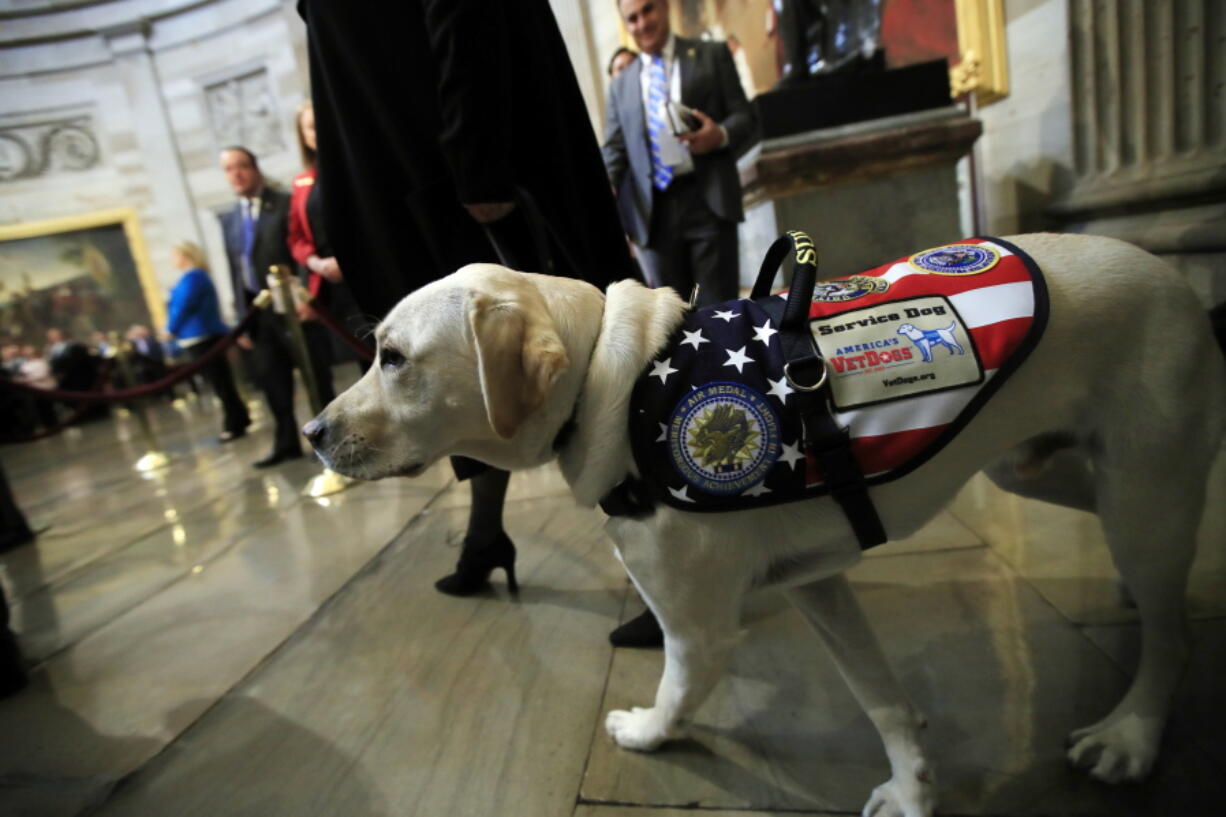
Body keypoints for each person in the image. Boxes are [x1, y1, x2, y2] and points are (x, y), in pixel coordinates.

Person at [299, 0, 660, 645]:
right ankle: (487, 534)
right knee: (455, 381)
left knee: (595, 361)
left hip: (463, 166)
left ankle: (669, 551)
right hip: (414, 170)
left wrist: (478, 156)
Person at [602, 0, 759, 306]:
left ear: (663, 7)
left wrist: (720, 135)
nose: (642, 23)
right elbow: (614, 153)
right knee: (672, 323)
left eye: (648, 10)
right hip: (653, 217)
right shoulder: (620, 88)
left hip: (708, 202)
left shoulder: (711, 55)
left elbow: (745, 118)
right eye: (632, 19)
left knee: (719, 314)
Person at [217, 146, 326, 468]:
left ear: (255, 168)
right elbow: (236, 269)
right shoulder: (230, 218)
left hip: (293, 308)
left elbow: (301, 249)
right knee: (272, 381)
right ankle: (286, 443)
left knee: (313, 376)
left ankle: (327, 439)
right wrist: (241, 320)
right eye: (228, 169)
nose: (236, 174)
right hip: (258, 314)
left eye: (242, 166)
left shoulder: (283, 202)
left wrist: (308, 297)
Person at [287, 102, 366, 374]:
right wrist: (317, 264)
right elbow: (296, 237)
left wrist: (349, 260)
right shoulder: (302, 184)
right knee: (360, 360)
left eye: (319, 124)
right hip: (332, 285)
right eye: (310, 127)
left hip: (365, 273)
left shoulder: (355, 165)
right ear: (304, 137)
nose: (317, 132)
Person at [164, 240, 251, 443]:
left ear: (185, 256)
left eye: (175, 256)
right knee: (220, 383)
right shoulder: (193, 277)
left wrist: (170, 328)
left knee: (220, 383)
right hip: (198, 336)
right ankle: (238, 419)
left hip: (201, 335)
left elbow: (183, 304)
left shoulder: (194, 277)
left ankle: (235, 423)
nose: (172, 260)